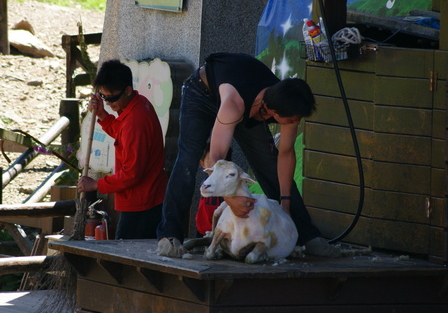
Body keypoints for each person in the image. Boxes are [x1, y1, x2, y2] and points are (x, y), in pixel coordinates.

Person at [156, 52, 341, 258]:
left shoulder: (287, 102)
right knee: (187, 162)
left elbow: (286, 154)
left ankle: (307, 237)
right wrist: (230, 199)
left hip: (250, 104)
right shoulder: (235, 105)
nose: (294, 121)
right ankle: (169, 236)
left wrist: (286, 206)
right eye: (291, 119)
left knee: (269, 164)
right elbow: (217, 156)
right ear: (273, 111)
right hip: (203, 92)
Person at [78, 59, 168, 239]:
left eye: (112, 98)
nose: (109, 103)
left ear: (128, 90)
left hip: (142, 204)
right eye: (104, 97)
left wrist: (96, 184)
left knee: (127, 258)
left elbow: (132, 173)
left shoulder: (136, 121)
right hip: (145, 198)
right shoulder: (137, 103)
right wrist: (102, 114)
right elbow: (122, 132)